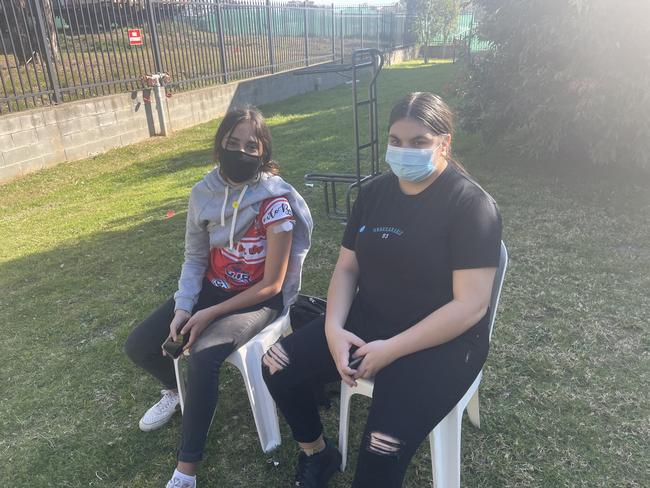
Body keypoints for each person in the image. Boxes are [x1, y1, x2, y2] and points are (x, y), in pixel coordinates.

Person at [261, 92, 502, 488]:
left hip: (443, 341)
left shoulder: (471, 205)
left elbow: (471, 305)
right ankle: (317, 454)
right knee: (275, 365)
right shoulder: (373, 194)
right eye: (396, 140)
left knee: (380, 448)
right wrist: (333, 331)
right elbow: (346, 268)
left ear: (445, 142)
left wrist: (392, 349)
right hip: (369, 318)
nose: (404, 151)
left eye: (419, 142)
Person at [124, 106, 313, 488]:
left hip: (258, 299)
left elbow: (272, 285)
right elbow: (195, 259)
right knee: (139, 345)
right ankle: (179, 395)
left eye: (251, 146)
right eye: (232, 143)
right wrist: (183, 308)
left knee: (204, 356)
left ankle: (185, 471)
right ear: (219, 147)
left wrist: (209, 315)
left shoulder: (275, 201)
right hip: (214, 288)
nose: (241, 153)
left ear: (263, 152)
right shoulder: (203, 193)